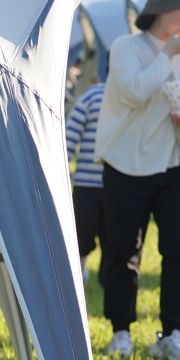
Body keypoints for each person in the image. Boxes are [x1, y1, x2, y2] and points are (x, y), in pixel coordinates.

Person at [94, 0, 180, 360]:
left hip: (176, 167)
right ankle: (120, 332)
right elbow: (133, 93)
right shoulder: (127, 47)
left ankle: (172, 333)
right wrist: (168, 55)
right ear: (162, 9)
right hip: (126, 165)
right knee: (122, 252)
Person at [64, 76, 105, 276]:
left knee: (113, 238)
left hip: (121, 183)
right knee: (81, 233)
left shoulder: (137, 98)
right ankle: (79, 268)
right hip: (87, 182)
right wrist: (63, 167)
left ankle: (107, 276)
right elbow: (70, 135)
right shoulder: (93, 96)